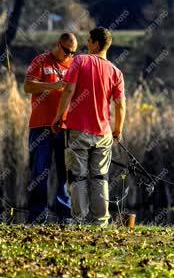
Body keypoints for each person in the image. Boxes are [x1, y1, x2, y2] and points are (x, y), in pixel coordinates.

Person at [52, 27, 126, 226]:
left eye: (88, 40)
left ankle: (80, 219)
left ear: (95, 43)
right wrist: (118, 130)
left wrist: (59, 116)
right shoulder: (116, 72)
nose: (86, 44)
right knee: (100, 177)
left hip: (78, 130)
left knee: (78, 176)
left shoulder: (80, 61)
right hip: (104, 133)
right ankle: (100, 221)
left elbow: (68, 90)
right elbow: (120, 105)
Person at [24, 33, 78, 223]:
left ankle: (64, 215)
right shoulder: (41, 61)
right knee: (39, 172)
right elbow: (28, 86)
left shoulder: (73, 64)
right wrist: (54, 85)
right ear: (58, 45)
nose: (69, 55)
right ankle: (37, 215)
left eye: (73, 52)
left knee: (64, 171)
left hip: (64, 127)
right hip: (41, 126)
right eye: (66, 51)